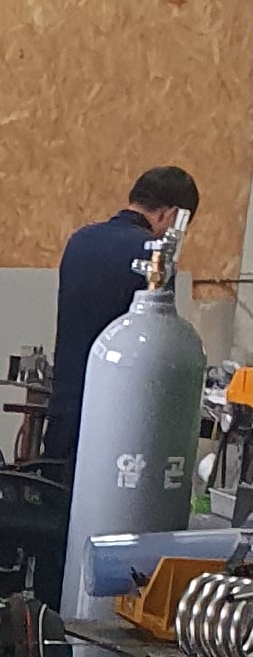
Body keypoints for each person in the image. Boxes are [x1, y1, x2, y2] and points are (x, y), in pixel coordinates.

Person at [46, 165, 201, 463]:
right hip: (118, 421)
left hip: (65, 407)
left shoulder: (80, 240)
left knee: (58, 486)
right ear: (170, 215)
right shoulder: (153, 255)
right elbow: (158, 343)